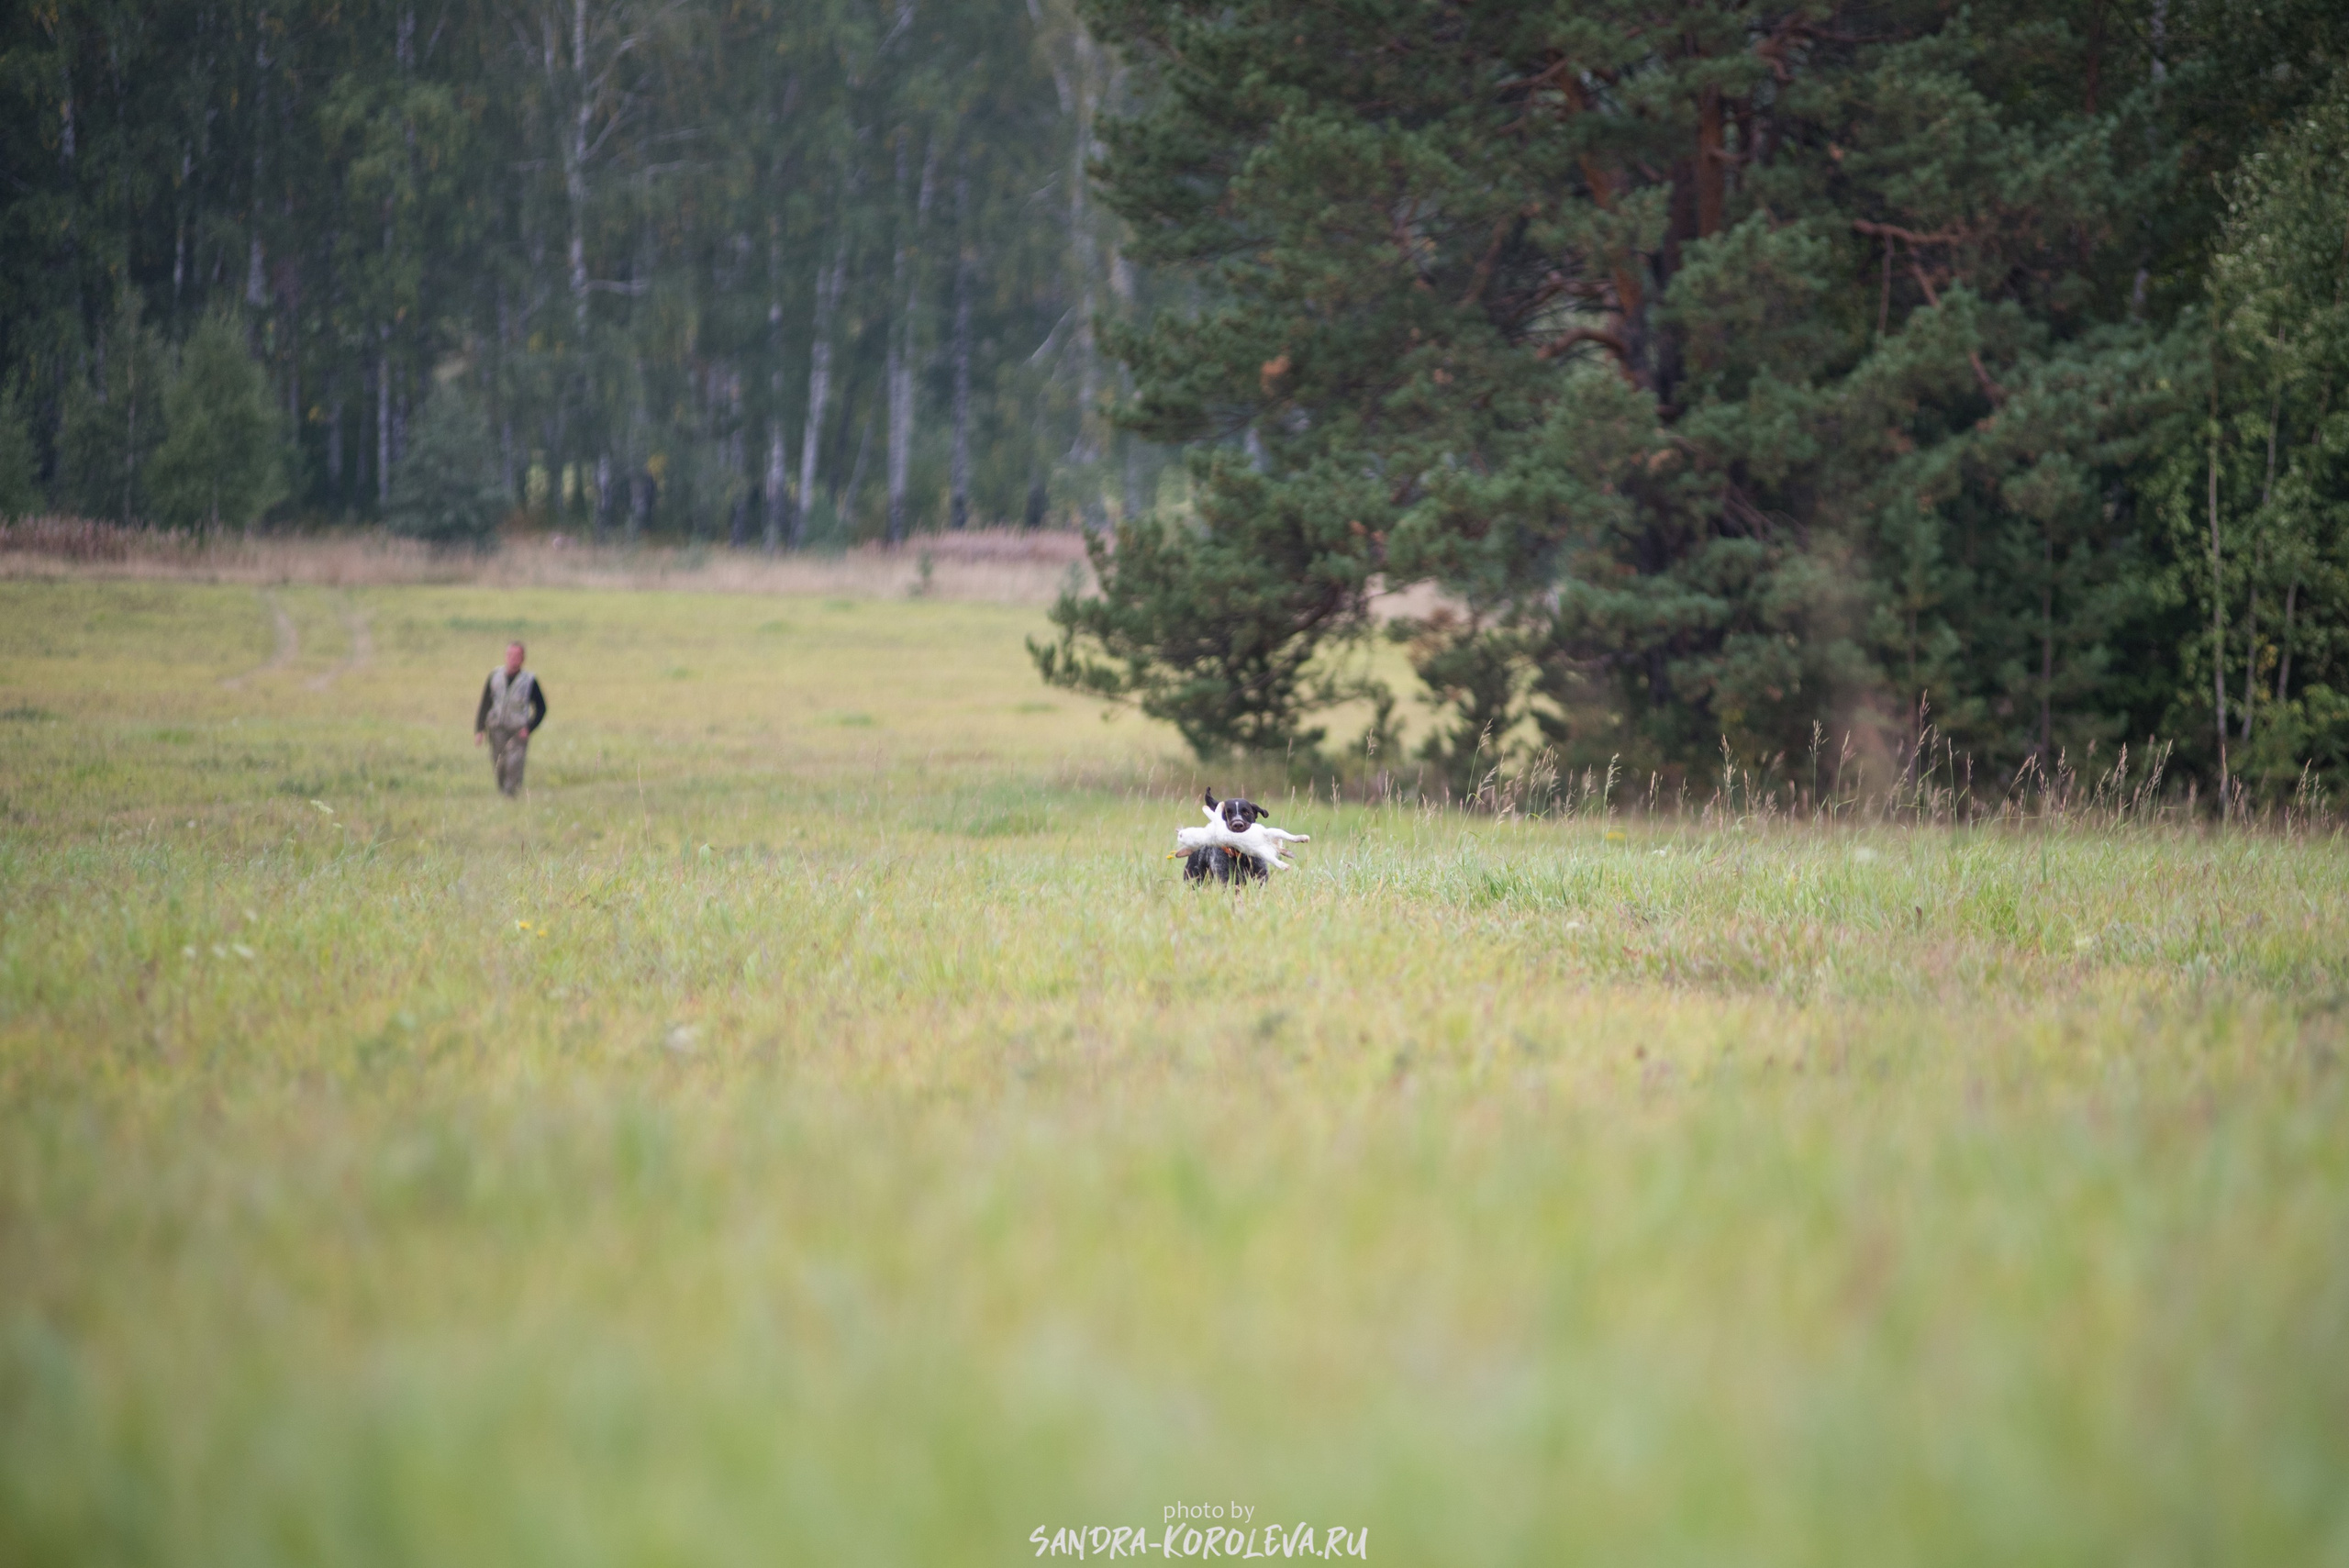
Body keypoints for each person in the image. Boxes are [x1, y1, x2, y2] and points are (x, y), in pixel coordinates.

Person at [473, 640, 548, 797]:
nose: (513, 659)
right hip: (497, 729)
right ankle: (503, 793)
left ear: (523, 658)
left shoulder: (529, 681)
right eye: (510, 655)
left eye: (517, 656)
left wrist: (529, 728)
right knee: (499, 764)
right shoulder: (495, 676)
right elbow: (485, 704)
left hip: (517, 731)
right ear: (506, 656)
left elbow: (541, 708)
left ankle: (511, 797)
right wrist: (479, 729)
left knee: (514, 764)